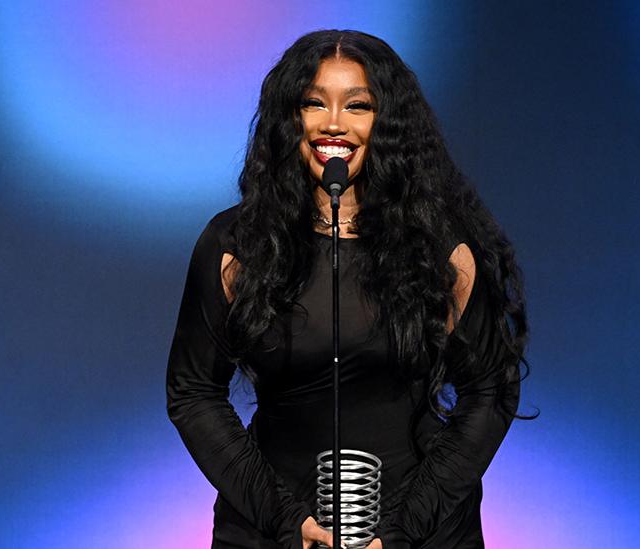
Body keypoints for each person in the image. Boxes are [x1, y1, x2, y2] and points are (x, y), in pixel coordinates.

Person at [167, 29, 532, 549]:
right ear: (288, 120)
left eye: (357, 106)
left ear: (388, 124)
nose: (333, 123)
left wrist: (405, 526)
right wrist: (285, 519)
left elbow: (491, 390)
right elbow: (193, 393)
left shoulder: (442, 250)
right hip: (272, 530)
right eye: (313, 103)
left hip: (419, 532)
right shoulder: (237, 246)